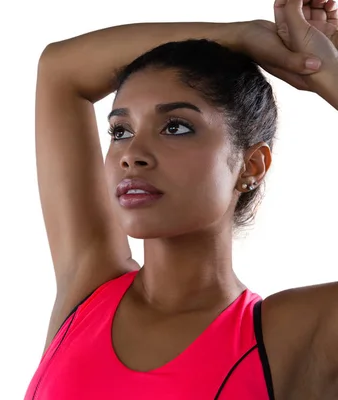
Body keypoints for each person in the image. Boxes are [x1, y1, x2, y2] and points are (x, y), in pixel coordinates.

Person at [25, 0, 338, 398]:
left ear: (252, 165)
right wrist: (241, 37)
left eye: (175, 127)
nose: (131, 153)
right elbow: (60, 68)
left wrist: (328, 70)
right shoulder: (86, 297)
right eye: (121, 130)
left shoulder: (291, 338)